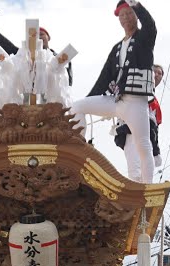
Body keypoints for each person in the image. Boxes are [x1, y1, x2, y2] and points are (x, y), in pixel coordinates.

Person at [69, 1, 157, 183]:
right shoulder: (117, 48)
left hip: (136, 102)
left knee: (143, 146)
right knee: (77, 106)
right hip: (117, 102)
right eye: (122, 15)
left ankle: (148, 190)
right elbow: (103, 79)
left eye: (129, 13)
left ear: (136, 15)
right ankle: (78, 148)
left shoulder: (144, 39)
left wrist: (137, 4)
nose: (125, 17)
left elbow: (150, 25)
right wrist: (90, 99)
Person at [113, 63, 164, 180]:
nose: (156, 75)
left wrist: (156, 150)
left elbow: (154, 128)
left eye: (160, 73)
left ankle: (144, 189)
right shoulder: (136, 88)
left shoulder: (153, 100)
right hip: (132, 131)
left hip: (147, 135)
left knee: (145, 171)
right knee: (135, 171)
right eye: (154, 71)